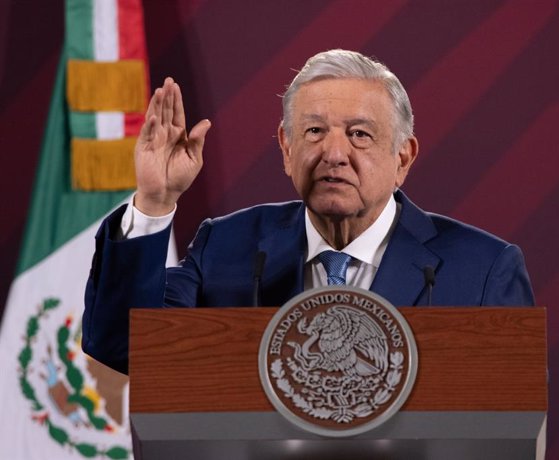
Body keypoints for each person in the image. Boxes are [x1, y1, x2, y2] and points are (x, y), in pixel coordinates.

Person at [82, 49, 534, 374]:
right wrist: (156, 202)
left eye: (359, 134)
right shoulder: (228, 246)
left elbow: (514, 418)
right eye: (314, 131)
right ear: (286, 147)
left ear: (403, 158)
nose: (333, 153)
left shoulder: (482, 269)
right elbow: (126, 348)